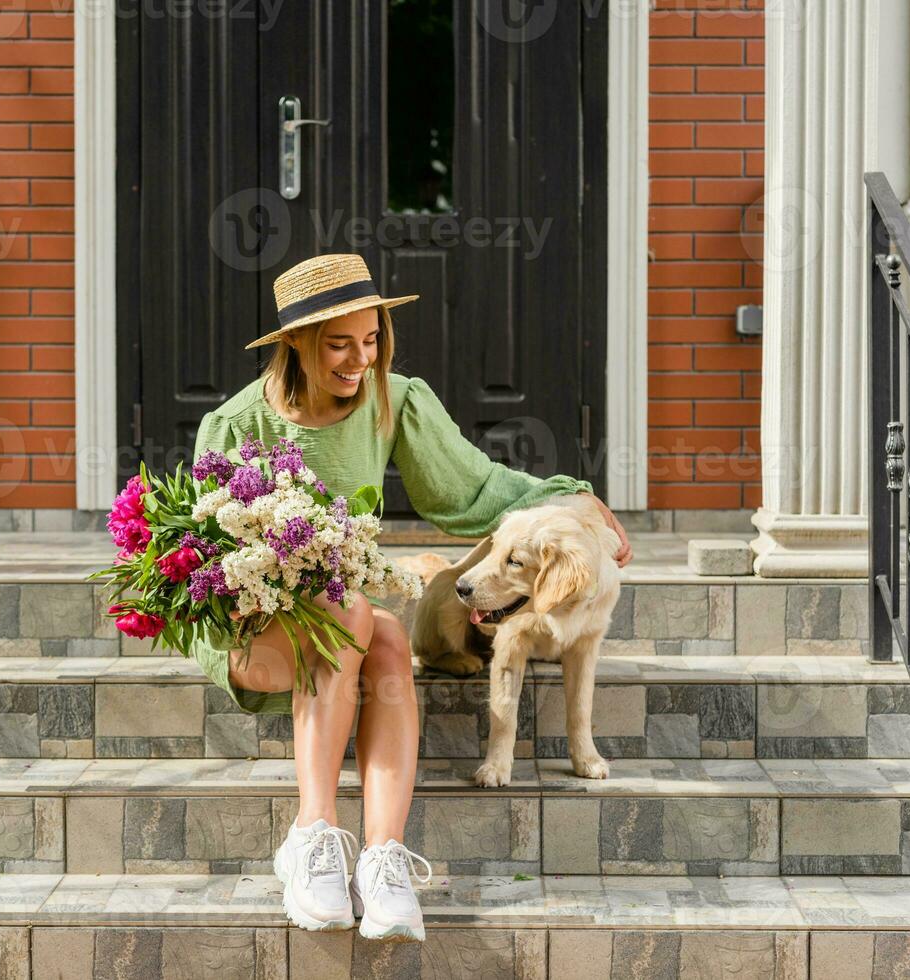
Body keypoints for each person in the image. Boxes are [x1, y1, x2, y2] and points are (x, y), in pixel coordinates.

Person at [188, 253, 632, 942]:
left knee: (386, 632)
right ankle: (311, 835)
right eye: (340, 344)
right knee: (354, 614)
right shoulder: (236, 428)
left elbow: (472, 489)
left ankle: (383, 861)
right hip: (258, 635)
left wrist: (572, 497)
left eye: (371, 341)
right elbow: (202, 568)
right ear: (295, 344)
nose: (359, 360)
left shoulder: (394, 399)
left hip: (351, 630)